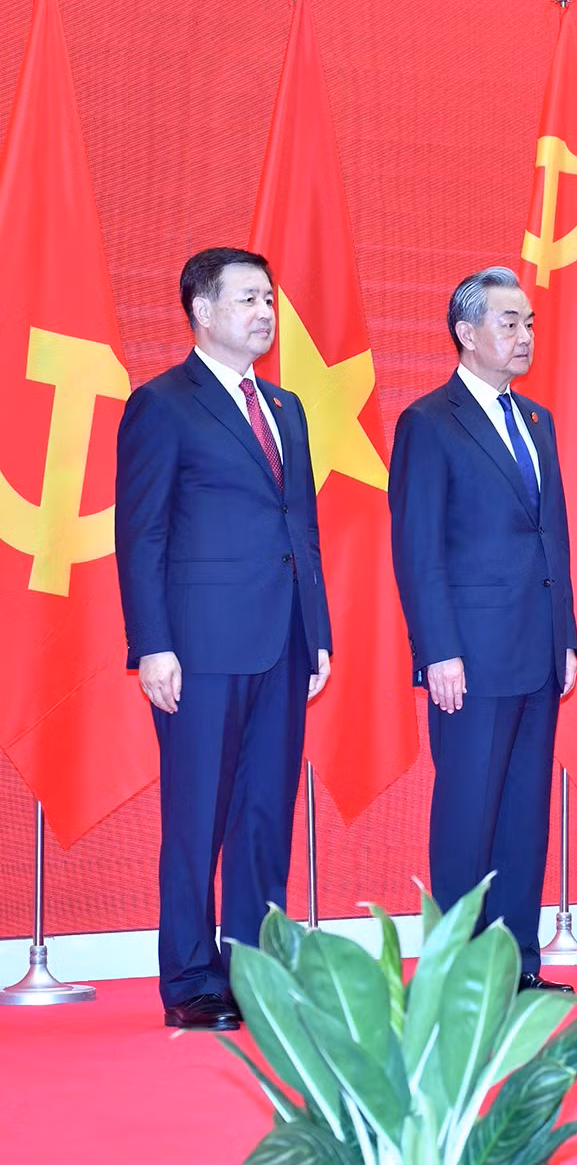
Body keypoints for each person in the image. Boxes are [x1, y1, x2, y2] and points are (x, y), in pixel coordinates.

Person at [116, 247, 333, 1030]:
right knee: (198, 815)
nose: (264, 312)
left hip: (282, 641)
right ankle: (190, 981)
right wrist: (154, 645)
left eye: (269, 299)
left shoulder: (286, 408)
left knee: (265, 814)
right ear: (202, 312)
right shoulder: (162, 404)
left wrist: (319, 633)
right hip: (199, 648)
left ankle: (256, 972)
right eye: (248, 299)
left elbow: (300, 527)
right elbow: (140, 535)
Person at [390, 266, 577, 993]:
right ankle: (454, 976)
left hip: (536, 651)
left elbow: (551, 540)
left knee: (524, 818)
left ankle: (515, 967)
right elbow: (418, 548)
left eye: (530, 323)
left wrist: (567, 636)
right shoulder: (430, 422)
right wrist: (438, 649)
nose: (525, 336)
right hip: (468, 655)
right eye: (510, 322)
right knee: (468, 815)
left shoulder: (537, 421)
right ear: (466, 334)